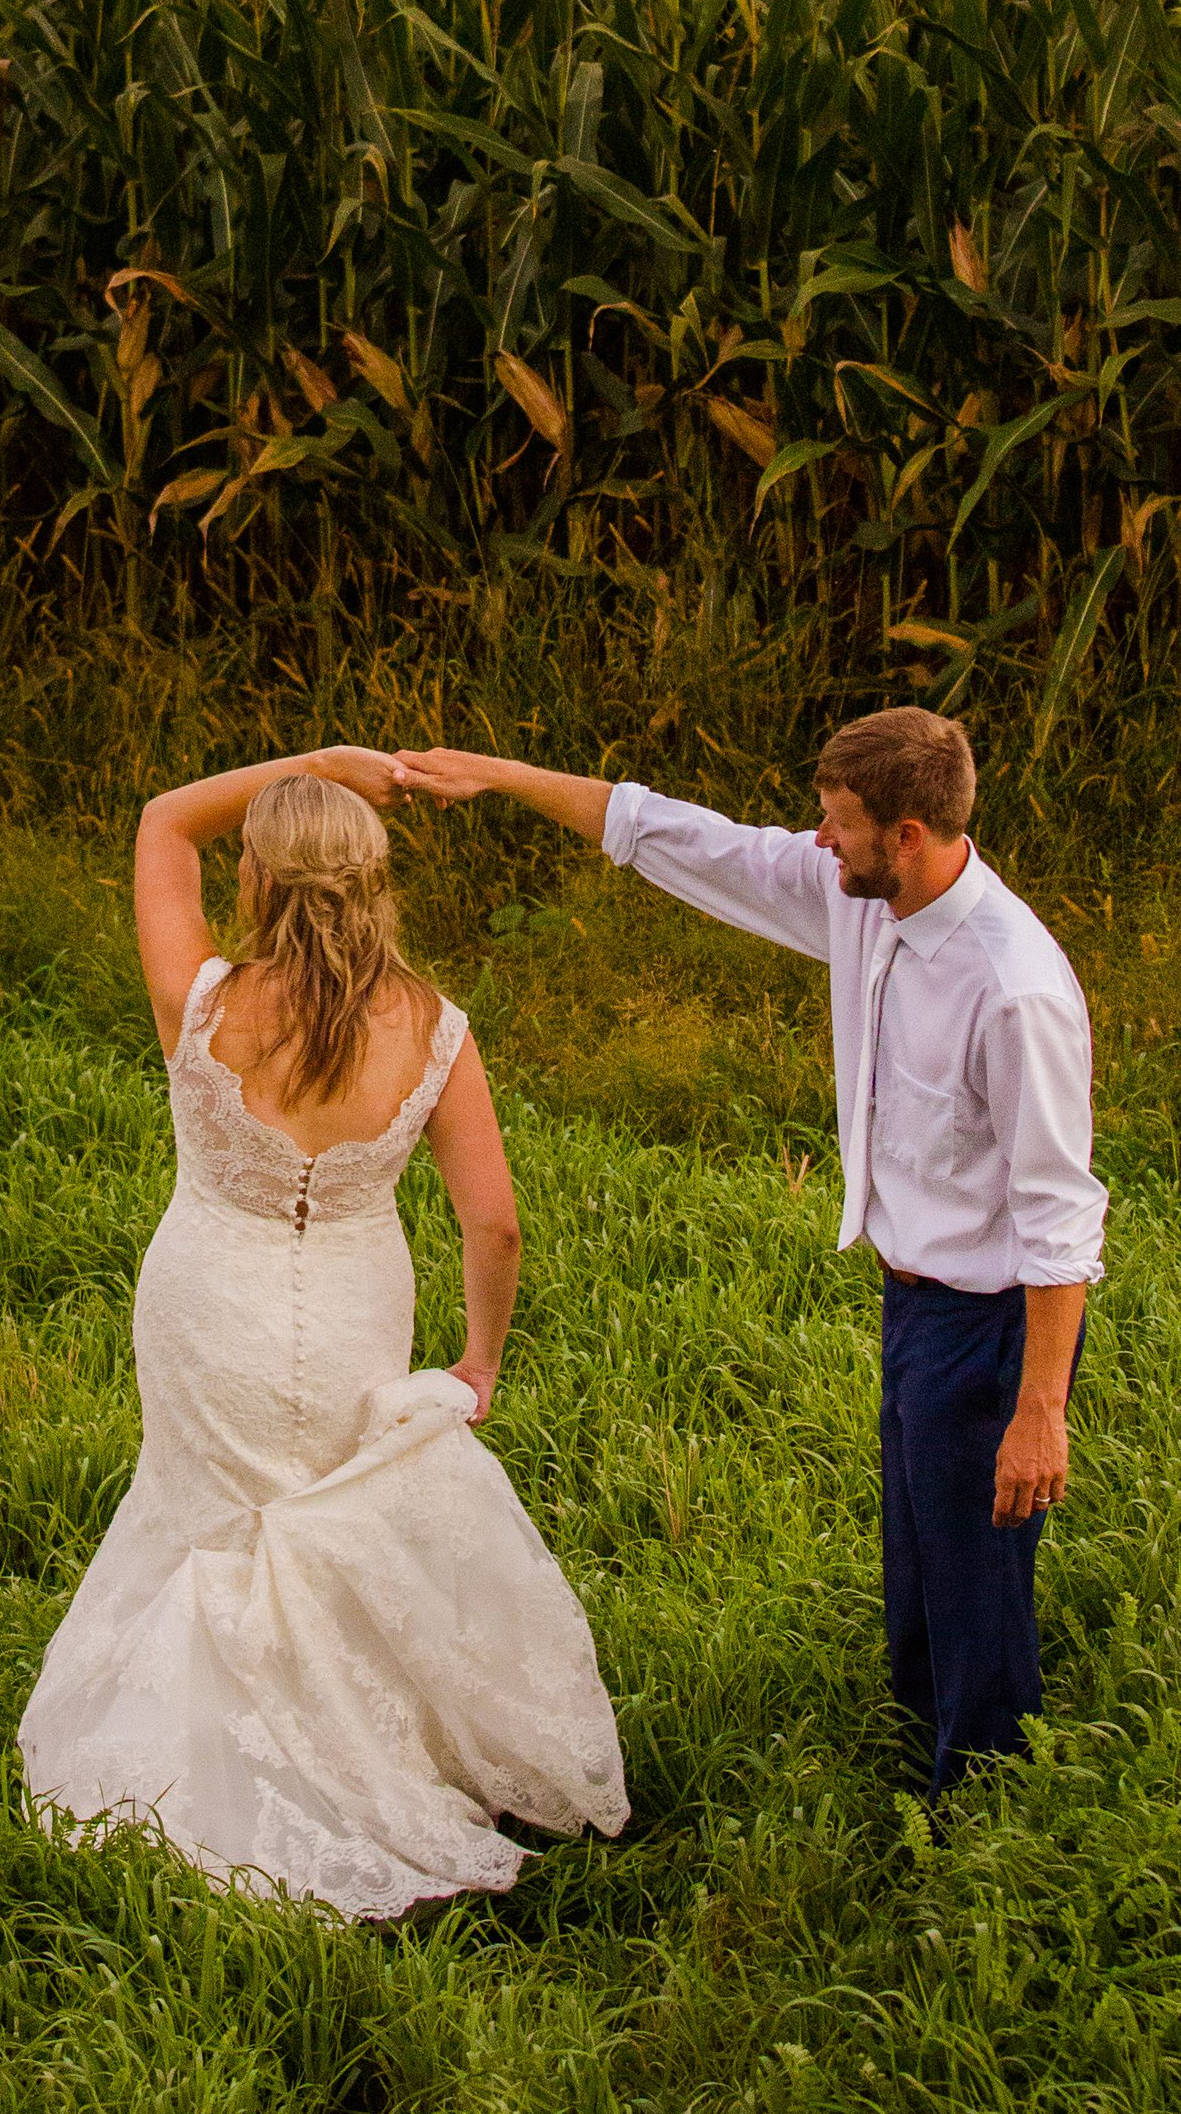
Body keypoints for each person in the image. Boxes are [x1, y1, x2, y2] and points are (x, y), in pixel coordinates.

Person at [395, 709, 1101, 1806]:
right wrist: (496, 773)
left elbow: (1059, 1215)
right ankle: (920, 1755)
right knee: (917, 1556)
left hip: (992, 1318)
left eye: (839, 824)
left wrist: (1040, 1408)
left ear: (907, 834)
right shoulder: (865, 899)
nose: (817, 840)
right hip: (913, 1304)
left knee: (973, 1575)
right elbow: (684, 837)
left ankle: (990, 1811)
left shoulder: (1013, 987)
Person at [17, 748, 628, 1921]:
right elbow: (492, 1223)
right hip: (354, 1307)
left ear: (254, 884)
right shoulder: (436, 1031)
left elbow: (160, 817)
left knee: (216, 1519)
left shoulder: (199, 1001)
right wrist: (478, 1364)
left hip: (206, 1306)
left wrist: (317, 764)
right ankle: (367, 1754)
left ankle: (218, 1762)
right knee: (332, 1508)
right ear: (375, 885)